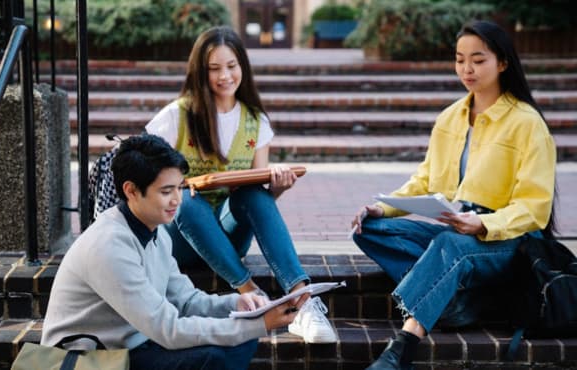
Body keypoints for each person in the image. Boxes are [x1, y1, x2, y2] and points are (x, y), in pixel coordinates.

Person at [350, 20, 556, 370]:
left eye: (478, 59)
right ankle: (458, 304)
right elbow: (426, 178)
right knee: (369, 229)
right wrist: (382, 208)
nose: (467, 69)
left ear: (502, 63)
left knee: (450, 246)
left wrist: (482, 223)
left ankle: (403, 346)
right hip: (458, 223)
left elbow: (535, 208)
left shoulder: (527, 123)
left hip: (509, 238)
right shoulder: (450, 118)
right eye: (460, 59)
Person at [41, 134, 309, 370]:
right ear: (131, 191)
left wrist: (238, 304)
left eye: (179, 188)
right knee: (216, 356)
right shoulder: (108, 245)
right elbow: (168, 329)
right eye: (166, 191)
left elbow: (186, 301)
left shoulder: (154, 231)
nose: (177, 200)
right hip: (91, 358)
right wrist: (260, 324)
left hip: (134, 343)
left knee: (238, 343)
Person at [145, 26, 337, 344]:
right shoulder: (177, 116)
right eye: (214, 68)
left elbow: (257, 195)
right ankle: (254, 296)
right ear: (200, 71)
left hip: (226, 239)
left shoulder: (255, 120)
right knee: (186, 200)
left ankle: (303, 301)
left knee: (253, 194)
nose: (225, 76)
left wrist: (279, 186)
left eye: (232, 66)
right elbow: (147, 179)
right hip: (178, 238)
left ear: (242, 68)